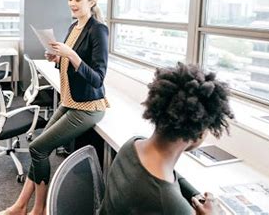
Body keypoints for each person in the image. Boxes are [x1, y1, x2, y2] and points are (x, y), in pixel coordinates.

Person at [0, 0, 109, 215]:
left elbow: (98, 78)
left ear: (91, 2)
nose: (72, 3)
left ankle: (38, 209)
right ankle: (20, 206)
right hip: (69, 101)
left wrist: (70, 54)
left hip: (88, 106)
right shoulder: (73, 28)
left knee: (38, 148)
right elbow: (70, 64)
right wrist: (58, 59)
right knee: (39, 149)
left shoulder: (97, 29)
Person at [99, 62, 234, 215]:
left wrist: (195, 194)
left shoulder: (133, 144)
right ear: (200, 133)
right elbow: (167, 197)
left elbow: (173, 177)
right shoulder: (168, 203)